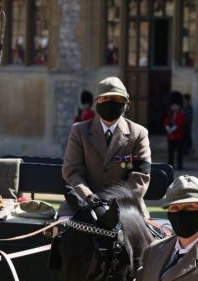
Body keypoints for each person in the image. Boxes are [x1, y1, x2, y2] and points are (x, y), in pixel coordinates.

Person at [61, 76, 152, 217]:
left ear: (126, 103)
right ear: (97, 101)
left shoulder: (139, 134)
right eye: (105, 99)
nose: (110, 103)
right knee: (68, 234)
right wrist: (90, 198)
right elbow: (72, 171)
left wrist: (111, 203)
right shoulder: (79, 131)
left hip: (125, 206)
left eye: (116, 99)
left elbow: (139, 177)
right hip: (82, 202)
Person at [164, 92, 186, 170]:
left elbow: (180, 123)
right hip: (171, 136)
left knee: (179, 152)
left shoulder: (181, 114)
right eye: (173, 105)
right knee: (171, 152)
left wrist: (173, 129)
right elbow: (166, 121)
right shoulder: (169, 114)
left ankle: (180, 165)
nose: (174, 107)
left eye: (176, 105)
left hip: (178, 136)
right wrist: (167, 128)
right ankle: (170, 164)